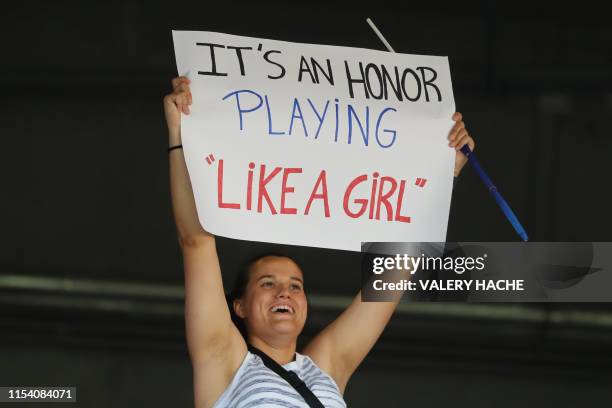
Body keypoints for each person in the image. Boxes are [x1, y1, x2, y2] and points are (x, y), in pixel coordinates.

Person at [164, 76, 475, 408]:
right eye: (268, 283)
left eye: (295, 286)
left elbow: (394, 275)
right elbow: (196, 241)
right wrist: (180, 134)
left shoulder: (325, 367)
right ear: (238, 306)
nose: (285, 292)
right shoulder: (223, 360)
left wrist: (445, 171)